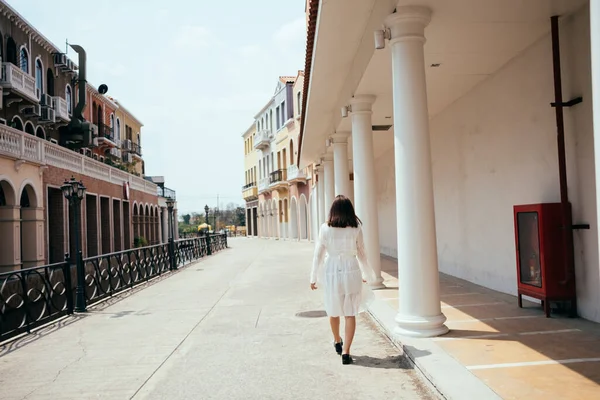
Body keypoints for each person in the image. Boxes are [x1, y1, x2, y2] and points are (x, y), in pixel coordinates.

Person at [310, 195, 374, 365]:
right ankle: (346, 352)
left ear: (333, 211)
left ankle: (337, 340)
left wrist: (313, 277)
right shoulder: (356, 227)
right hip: (351, 269)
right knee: (350, 312)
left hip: (332, 270)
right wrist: (367, 274)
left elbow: (318, 255)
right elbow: (362, 253)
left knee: (333, 309)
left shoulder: (325, 228)